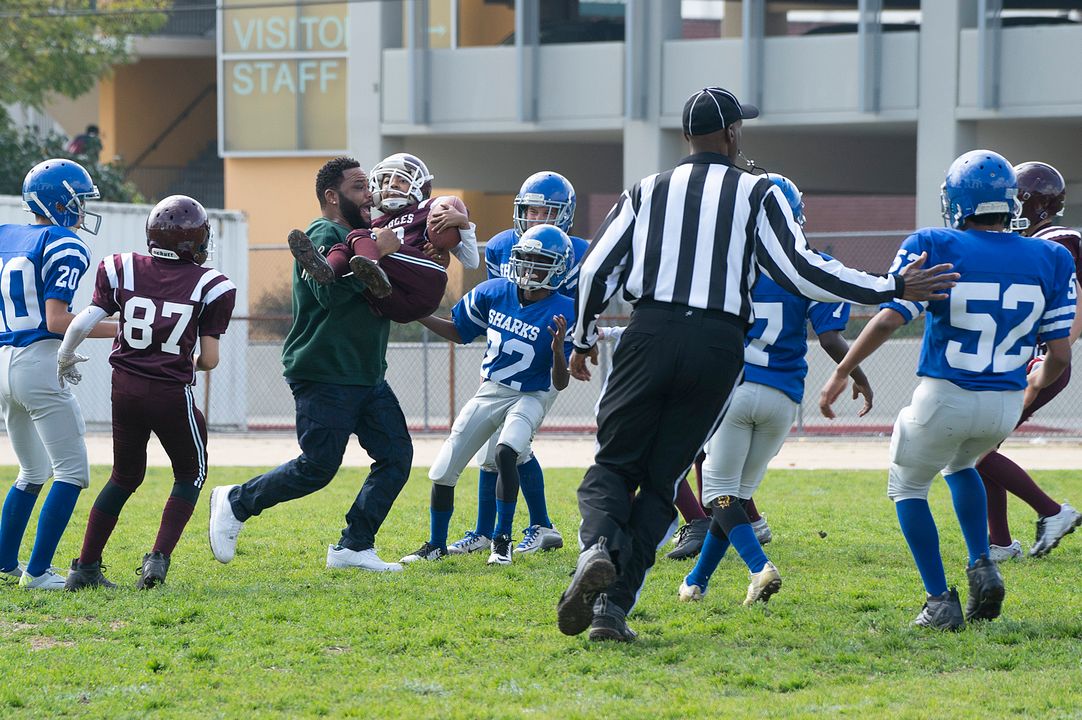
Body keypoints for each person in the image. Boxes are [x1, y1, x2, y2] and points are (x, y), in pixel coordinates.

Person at [557, 86, 958, 643]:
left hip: (648, 332)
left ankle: (596, 546)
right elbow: (800, 271)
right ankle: (611, 611)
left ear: (685, 137)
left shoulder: (647, 189)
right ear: (731, 134)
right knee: (662, 479)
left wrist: (580, 340)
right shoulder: (758, 191)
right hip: (719, 344)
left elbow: (596, 269)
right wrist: (890, 285)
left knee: (615, 464)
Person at [820, 150, 1076, 631]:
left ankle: (939, 600)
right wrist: (1033, 386)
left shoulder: (936, 244)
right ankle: (982, 563)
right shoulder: (1052, 256)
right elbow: (1060, 355)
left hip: (947, 393)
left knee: (908, 484)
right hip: (1002, 402)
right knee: (963, 464)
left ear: (958, 201)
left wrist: (841, 371)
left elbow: (891, 316)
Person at [207, 157, 411, 572]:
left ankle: (354, 546)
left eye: (368, 185)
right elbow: (329, 296)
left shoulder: (364, 237)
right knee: (318, 467)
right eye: (358, 187)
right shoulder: (324, 232)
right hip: (324, 371)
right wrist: (374, 259)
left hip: (367, 374)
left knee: (396, 456)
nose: (369, 193)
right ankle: (236, 501)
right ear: (332, 197)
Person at [679, 173, 872, 603]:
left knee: (720, 496)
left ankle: (759, 569)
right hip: (783, 397)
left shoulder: (725, 265)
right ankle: (696, 583)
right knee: (735, 499)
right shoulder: (809, 265)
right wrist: (857, 374)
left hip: (734, 391)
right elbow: (830, 338)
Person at [60, 195, 236, 590]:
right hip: (170, 392)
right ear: (195, 240)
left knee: (124, 476)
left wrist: (64, 356)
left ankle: (85, 566)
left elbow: (85, 320)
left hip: (123, 389)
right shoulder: (213, 284)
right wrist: (177, 360)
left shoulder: (120, 267)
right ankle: (157, 561)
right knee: (192, 472)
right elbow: (209, 359)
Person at [400, 224, 574, 566]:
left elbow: (562, 382)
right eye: (526, 259)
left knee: (508, 450)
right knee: (445, 466)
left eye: (539, 262)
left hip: (532, 394)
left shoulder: (565, 309)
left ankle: (502, 541)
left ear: (557, 268)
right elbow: (460, 331)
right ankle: (435, 544)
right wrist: (418, 315)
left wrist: (557, 351)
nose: (529, 269)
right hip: (492, 389)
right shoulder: (494, 291)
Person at [447, 171, 587, 557]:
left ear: (565, 214)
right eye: (530, 209)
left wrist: (578, 347)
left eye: (546, 210)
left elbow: (579, 308)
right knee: (498, 447)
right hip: (509, 356)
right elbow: (506, 300)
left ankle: (520, 527)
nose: (537, 218)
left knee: (507, 447)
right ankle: (505, 529)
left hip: (548, 357)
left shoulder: (580, 251)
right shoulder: (504, 246)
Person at [0, 158, 115, 590]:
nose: (83, 209)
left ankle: (6, 562)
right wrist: (124, 329)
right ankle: (37, 573)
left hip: (5, 361)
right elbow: (57, 320)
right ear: (60, 200)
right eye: (79, 199)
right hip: (38, 358)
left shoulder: (7, 236)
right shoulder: (63, 241)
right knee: (72, 472)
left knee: (31, 471)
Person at [977, 161, 1082, 561]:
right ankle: (1000, 544)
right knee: (982, 450)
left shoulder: (1057, 239)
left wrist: (1054, 352)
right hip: (1024, 359)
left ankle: (1052, 511)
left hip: (1037, 362)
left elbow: (1076, 297)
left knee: (974, 449)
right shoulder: (1028, 244)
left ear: (1029, 203)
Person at [288, 152, 478, 324]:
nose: (391, 185)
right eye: (385, 181)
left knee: (358, 238)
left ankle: (365, 265)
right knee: (349, 246)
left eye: (401, 180)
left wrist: (462, 223)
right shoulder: (338, 229)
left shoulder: (426, 209)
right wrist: (378, 252)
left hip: (422, 282)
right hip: (394, 300)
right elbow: (329, 295)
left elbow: (468, 258)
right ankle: (328, 268)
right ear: (332, 197)